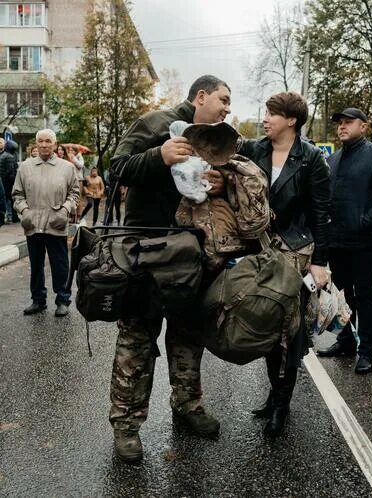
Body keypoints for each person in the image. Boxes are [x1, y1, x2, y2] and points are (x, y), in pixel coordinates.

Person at [107, 74, 232, 463]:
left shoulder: (215, 140)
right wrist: (159, 157)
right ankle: (127, 426)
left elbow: (218, 193)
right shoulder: (156, 124)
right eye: (223, 99)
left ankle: (188, 405)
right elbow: (114, 166)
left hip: (193, 255)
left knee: (188, 336)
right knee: (137, 341)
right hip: (147, 252)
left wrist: (218, 184)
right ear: (200, 96)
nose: (227, 107)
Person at [239, 91, 330, 437]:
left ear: (291, 120)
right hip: (259, 251)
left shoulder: (311, 159)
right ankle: (274, 393)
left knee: (288, 332)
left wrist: (320, 261)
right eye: (266, 112)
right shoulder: (254, 149)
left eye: (272, 114)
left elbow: (322, 214)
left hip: (296, 252)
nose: (266, 119)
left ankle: (281, 404)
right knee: (264, 324)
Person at [316, 108, 372, 375]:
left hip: (363, 242)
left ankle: (367, 350)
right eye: (340, 123)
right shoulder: (334, 159)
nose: (342, 127)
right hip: (337, 241)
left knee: (365, 297)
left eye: (348, 122)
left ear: (363, 127)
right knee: (342, 297)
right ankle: (345, 341)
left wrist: (364, 222)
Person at [12, 129, 79, 317]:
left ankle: (63, 300)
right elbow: (17, 194)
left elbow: (74, 193)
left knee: (60, 264)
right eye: (40, 141)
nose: (44, 145)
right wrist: (25, 211)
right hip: (32, 224)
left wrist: (66, 209)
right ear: (36, 144)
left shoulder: (67, 167)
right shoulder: (25, 167)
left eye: (48, 141)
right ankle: (38, 300)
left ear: (55, 144)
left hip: (56, 223)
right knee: (36, 264)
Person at [0, 140, 20, 222]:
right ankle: (12, 217)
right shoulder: (9, 157)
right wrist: (14, 183)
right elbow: (10, 172)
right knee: (10, 200)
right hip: (7, 183)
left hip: (3, 182)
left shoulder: (4, 155)